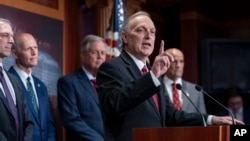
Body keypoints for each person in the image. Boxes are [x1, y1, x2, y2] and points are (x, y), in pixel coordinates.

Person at [96, 11, 244, 141]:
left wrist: (211, 119)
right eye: (141, 30)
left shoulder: (151, 74)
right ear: (125, 37)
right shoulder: (111, 67)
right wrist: (153, 76)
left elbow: (172, 116)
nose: (148, 35)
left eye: (152, 32)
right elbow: (114, 104)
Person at [57, 34, 106, 141]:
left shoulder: (109, 83)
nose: (100, 56)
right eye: (94, 52)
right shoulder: (68, 83)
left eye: (103, 53)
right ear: (83, 55)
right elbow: (71, 120)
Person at [8, 32, 55, 141]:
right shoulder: (6, 82)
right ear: (15, 54)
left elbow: (49, 123)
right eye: (28, 49)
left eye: (35, 47)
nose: (34, 53)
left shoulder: (41, 86)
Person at [0, 18, 33, 141]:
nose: (11, 40)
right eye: (5, 35)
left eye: (12, 36)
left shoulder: (14, 80)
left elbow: (28, 122)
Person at [163, 48, 206, 113]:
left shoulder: (196, 90)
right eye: (174, 61)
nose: (178, 65)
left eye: (181, 61)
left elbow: (203, 118)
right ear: (164, 63)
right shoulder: (156, 87)